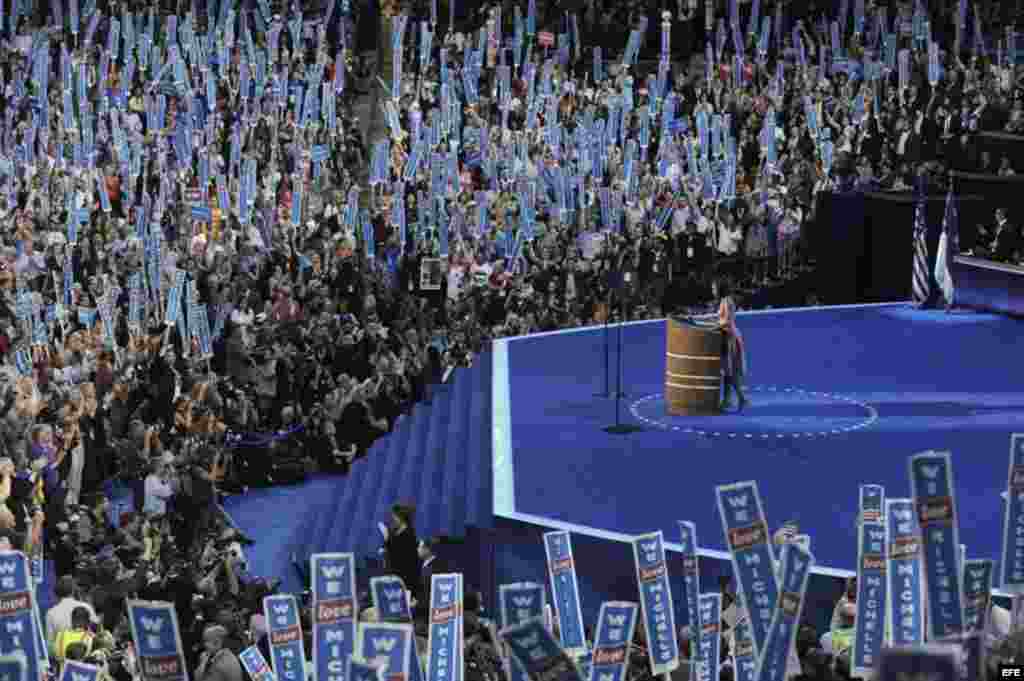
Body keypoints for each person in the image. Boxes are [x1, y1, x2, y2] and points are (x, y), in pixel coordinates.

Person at [714, 281, 748, 411]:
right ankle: (729, 400)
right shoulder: (724, 300)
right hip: (726, 336)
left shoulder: (727, 301)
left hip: (730, 338)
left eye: (714, 287)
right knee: (727, 372)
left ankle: (740, 399)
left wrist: (716, 326)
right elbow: (722, 320)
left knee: (729, 372)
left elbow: (727, 321)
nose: (713, 289)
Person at [381, 503, 421, 594]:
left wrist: (387, 538)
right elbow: (390, 546)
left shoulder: (409, 534)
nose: (392, 519)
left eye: (394, 517)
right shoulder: (395, 531)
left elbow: (400, 554)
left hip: (405, 578)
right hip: (393, 574)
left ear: (401, 518)